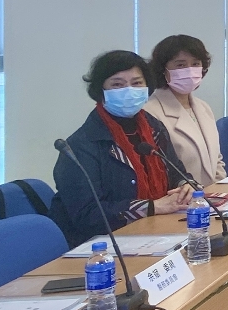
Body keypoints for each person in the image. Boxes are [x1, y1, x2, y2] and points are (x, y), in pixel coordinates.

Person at [49, 51, 195, 246]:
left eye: (136, 83)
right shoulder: (81, 145)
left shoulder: (153, 127)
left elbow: (176, 172)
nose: (129, 90)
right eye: (117, 84)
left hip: (158, 232)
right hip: (103, 246)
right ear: (100, 90)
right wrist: (151, 207)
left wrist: (186, 186)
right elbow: (88, 214)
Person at [143, 35, 227, 187]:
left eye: (195, 64)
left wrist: (219, 190)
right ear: (163, 69)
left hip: (212, 196)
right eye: (181, 65)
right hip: (179, 197)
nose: (189, 70)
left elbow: (217, 159)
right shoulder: (149, 112)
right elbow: (158, 169)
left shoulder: (203, 107)